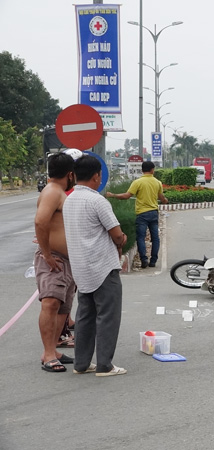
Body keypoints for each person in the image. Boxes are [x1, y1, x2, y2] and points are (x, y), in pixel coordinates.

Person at [64, 154, 128, 376]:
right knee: (108, 316)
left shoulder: (69, 199)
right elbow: (117, 235)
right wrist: (122, 240)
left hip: (81, 268)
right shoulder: (97, 201)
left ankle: (80, 364)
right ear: (96, 176)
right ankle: (105, 365)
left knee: (85, 316)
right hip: (102, 267)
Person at [34, 152, 77, 372]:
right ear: (71, 174)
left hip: (66, 261)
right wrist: (47, 254)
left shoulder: (58, 192)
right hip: (55, 259)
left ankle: (53, 350)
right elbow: (40, 222)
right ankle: (48, 354)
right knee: (50, 303)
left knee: (62, 308)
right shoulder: (52, 191)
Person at [106, 161, 167, 269]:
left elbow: (126, 196)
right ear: (152, 170)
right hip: (153, 213)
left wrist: (112, 195)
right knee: (155, 238)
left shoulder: (138, 182)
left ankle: (144, 259)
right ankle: (153, 261)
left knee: (141, 237)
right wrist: (165, 200)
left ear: (142, 170)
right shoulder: (157, 182)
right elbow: (161, 197)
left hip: (142, 214)